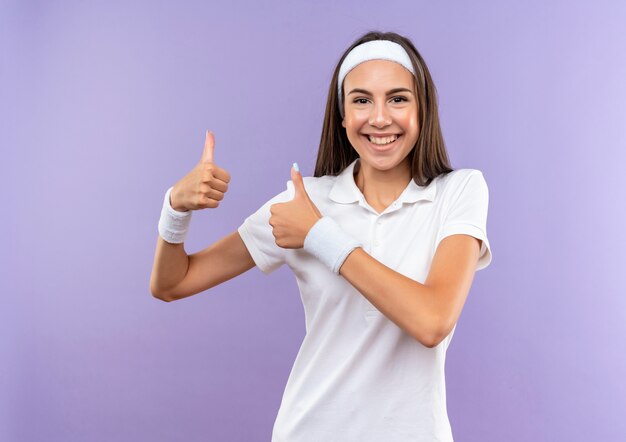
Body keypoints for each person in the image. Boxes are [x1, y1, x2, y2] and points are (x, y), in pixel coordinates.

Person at [150, 30, 492, 442]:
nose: (379, 118)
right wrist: (175, 209)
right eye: (361, 100)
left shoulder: (459, 191)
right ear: (343, 115)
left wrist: (318, 235)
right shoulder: (306, 200)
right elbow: (172, 283)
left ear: (422, 110)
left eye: (398, 98)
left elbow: (432, 321)